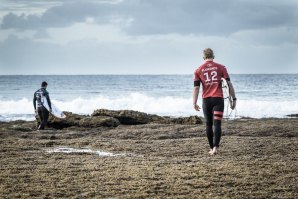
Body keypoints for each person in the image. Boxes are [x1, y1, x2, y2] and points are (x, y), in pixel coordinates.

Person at [193, 48, 236, 155]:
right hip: (218, 100)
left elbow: (196, 88)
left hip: (206, 101)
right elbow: (229, 84)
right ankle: (216, 148)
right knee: (217, 124)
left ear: (203, 57)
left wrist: (194, 102)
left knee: (208, 124)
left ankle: (211, 148)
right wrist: (233, 98)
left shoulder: (198, 70)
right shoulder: (221, 67)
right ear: (213, 56)